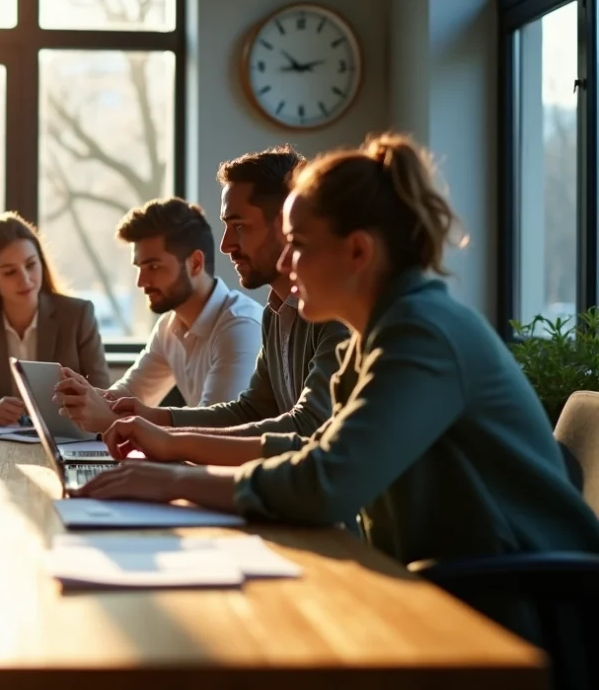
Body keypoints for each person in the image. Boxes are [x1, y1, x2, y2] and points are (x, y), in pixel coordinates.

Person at [78, 133, 599, 571]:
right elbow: (311, 451)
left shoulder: (422, 335)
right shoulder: (380, 333)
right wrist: (168, 452)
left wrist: (171, 478)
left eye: (299, 244)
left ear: (358, 251)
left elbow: (327, 482)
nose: (288, 261)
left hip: (519, 612)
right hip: (445, 585)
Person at [55, 148, 347, 434]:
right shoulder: (274, 313)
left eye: (240, 226)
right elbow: (250, 411)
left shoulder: (260, 321)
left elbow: (306, 427)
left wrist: (142, 430)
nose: (225, 245)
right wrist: (131, 413)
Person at [0, 212, 111, 426]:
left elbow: (102, 397)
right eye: (9, 272)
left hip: (68, 437)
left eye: (31, 265)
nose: (25, 279)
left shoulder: (78, 315)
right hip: (3, 442)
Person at [103, 198, 262, 409]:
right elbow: (129, 394)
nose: (141, 282)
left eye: (153, 266)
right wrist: (80, 397)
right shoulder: (169, 326)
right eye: (139, 268)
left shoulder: (239, 326)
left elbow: (216, 428)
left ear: (195, 264)